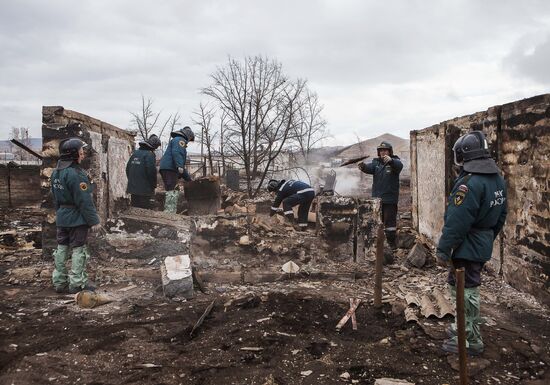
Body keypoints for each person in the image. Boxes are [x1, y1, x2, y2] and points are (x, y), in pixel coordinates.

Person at [436, 131, 507, 356]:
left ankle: (466, 339)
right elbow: (501, 216)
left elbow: (456, 222)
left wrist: (443, 250)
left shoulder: (468, 184)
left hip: (465, 247)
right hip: (480, 243)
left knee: (463, 290)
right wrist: (486, 238)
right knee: (467, 286)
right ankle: (467, 332)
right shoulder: (497, 179)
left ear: (463, 155)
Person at [50, 138, 101, 294]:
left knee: (61, 248)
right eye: (80, 151)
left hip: (62, 217)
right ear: (73, 154)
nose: (82, 154)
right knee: (79, 249)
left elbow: (55, 198)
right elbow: (84, 200)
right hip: (77, 219)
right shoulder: (76, 174)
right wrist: (94, 221)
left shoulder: (55, 172)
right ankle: (77, 284)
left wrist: (60, 214)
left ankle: (59, 282)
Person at [358, 141, 403, 250]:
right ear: (379, 152)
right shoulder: (376, 163)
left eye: (385, 150)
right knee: (377, 220)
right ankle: (377, 243)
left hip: (390, 199)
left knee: (390, 223)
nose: (383, 152)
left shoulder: (395, 162)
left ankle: (391, 244)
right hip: (377, 199)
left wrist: (391, 161)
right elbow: (369, 168)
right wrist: (363, 166)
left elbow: (399, 166)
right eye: (381, 150)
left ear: (390, 151)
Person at [159, 126, 194, 213]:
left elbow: (180, 164)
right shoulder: (180, 140)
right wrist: (179, 166)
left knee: (170, 189)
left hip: (167, 168)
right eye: (190, 139)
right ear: (188, 136)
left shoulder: (176, 140)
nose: (189, 141)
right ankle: (169, 213)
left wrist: (188, 179)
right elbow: (177, 153)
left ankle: (169, 211)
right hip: (170, 168)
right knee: (172, 191)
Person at [126, 134, 161, 209]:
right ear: (154, 146)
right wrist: (153, 185)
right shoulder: (149, 155)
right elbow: (151, 172)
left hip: (133, 188)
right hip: (145, 190)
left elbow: (128, 168)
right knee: (143, 210)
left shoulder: (135, 153)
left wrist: (132, 181)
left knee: (134, 208)